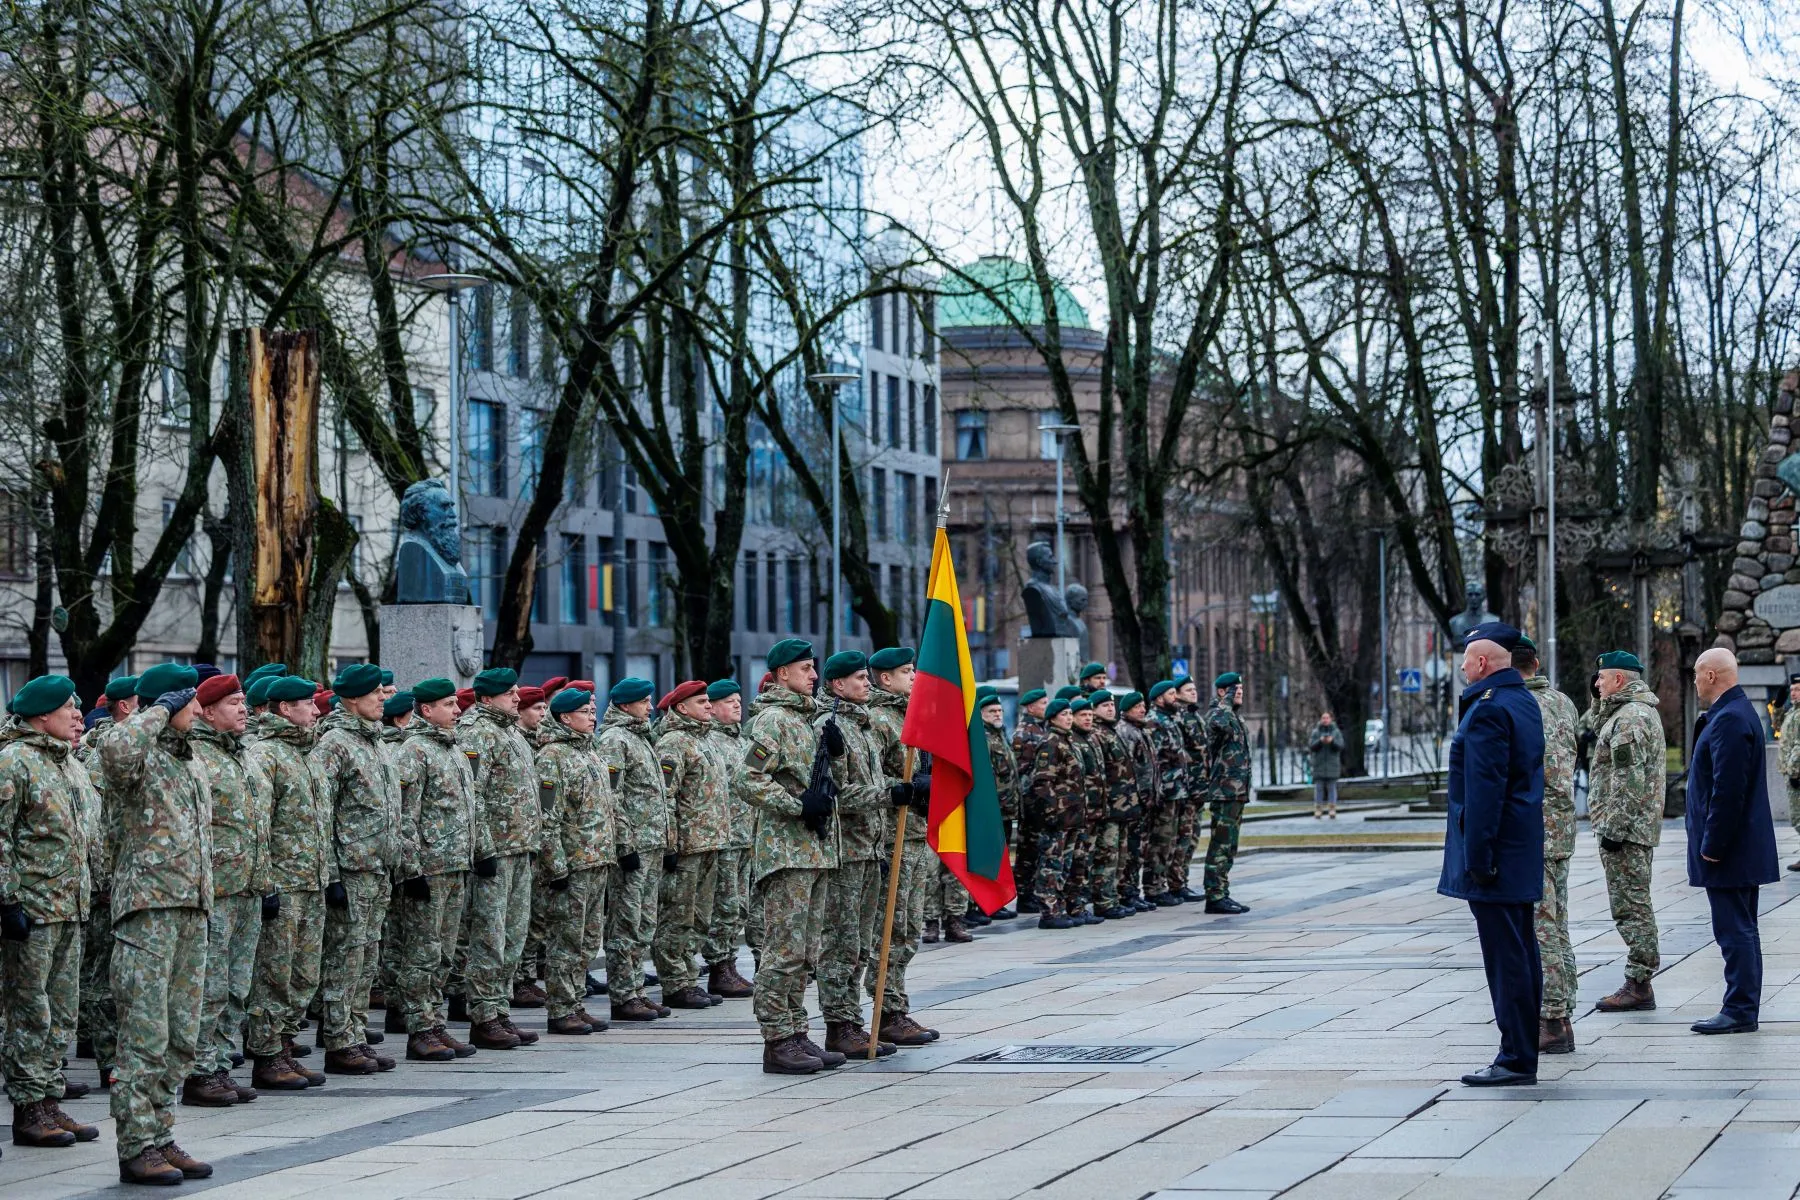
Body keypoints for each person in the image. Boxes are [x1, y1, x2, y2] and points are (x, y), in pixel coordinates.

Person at [101, 663, 215, 1183]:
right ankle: (135, 1144)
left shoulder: (189, 761)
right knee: (144, 1035)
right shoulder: (136, 755)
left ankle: (161, 1134)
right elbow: (116, 750)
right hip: (147, 910)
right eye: (188, 701)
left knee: (180, 1037)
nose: (196, 709)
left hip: (191, 908)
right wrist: (158, 709)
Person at [734, 638, 847, 1073]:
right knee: (783, 951)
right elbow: (747, 780)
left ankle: (798, 1032)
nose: (814, 676)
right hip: (786, 853)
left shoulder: (811, 720)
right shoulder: (774, 721)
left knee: (807, 951)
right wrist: (797, 805)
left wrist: (836, 751)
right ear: (782, 673)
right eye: (805, 669)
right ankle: (777, 1038)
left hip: (816, 850)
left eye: (814, 668)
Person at [1439, 623, 1545, 1087]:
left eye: (1466, 659)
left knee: (1507, 959)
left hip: (1496, 857)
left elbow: (1484, 794)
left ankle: (1516, 1057)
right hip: (1519, 850)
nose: (1462, 666)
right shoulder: (1522, 701)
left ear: (1482, 663)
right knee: (1522, 952)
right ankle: (1522, 1049)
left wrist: (1478, 859)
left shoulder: (1487, 710)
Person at [1, 675, 102, 1149]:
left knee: (60, 1011)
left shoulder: (70, 764)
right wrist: (7, 900)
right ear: (42, 715)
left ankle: (48, 1096)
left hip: (71, 906)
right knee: (29, 1011)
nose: (79, 716)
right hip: (33, 909)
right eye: (69, 708)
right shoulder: (14, 762)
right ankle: (27, 1108)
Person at [310, 664, 400, 1075]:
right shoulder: (336, 744)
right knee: (345, 958)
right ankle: (339, 1039)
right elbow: (321, 814)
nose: (383, 698)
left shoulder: (375, 741)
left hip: (377, 866)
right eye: (375, 693)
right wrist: (330, 874)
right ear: (351, 699)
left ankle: (357, 1034)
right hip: (350, 867)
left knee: (367, 957)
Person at [184, 674, 270, 1106]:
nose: (242, 708)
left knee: (237, 985)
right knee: (210, 986)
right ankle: (199, 1070)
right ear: (208, 710)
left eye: (243, 701)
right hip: (215, 890)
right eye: (233, 702)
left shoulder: (243, 756)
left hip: (248, 887)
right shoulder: (196, 755)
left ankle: (219, 1062)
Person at [1686, 648, 1779, 1035]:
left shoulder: (1729, 719)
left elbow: (1728, 790)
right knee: (1741, 926)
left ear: (1710, 676)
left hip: (1729, 851)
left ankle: (1740, 1008)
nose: (1693, 681)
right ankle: (1741, 1004)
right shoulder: (1734, 714)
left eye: (1695, 674)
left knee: (1734, 928)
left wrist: (1712, 845)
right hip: (1734, 849)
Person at [244, 676, 330, 1091]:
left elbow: (319, 825)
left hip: (311, 880)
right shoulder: (266, 756)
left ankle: (286, 1044)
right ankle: (267, 1053)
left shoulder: (306, 753)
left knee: (303, 974)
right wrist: (265, 884)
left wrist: (326, 874)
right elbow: (258, 827)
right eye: (307, 704)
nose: (315, 711)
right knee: (274, 973)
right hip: (284, 880)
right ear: (283, 709)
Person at [391, 678, 484, 1061]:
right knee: (422, 953)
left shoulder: (453, 749)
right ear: (426, 710)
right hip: (428, 870)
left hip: (455, 866)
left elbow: (468, 810)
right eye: (448, 704)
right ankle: (418, 1027)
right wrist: (412, 870)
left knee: (444, 953)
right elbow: (404, 814)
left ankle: (435, 1022)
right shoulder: (414, 751)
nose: (457, 710)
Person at [815, 651, 901, 1058]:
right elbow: (836, 793)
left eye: (868, 677)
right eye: (859, 678)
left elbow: (870, 779)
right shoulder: (830, 727)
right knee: (841, 943)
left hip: (868, 848)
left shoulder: (861, 727)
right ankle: (839, 1024)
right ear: (837, 685)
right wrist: (890, 793)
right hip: (845, 851)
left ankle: (853, 1019)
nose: (867, 683)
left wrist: (903, 785)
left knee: (862, 944)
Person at [458, 667, 543, 1050]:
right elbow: (472, 794)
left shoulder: (512, 733)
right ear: (487, 698)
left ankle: (500, 1008)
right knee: (489, 937)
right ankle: (483, 1014)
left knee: (513, 935)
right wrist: (485, 847)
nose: (516, 698)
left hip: (520, 848)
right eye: (508, 693)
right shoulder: (478, 733)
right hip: (497, 851)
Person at [1587, 650, 1667, 1018]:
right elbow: (1590, 725)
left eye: (1601, 678)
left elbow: (1628, 779)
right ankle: (1639, 980)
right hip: (1631, 828)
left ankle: (1639, 982)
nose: (1597, 683)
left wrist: (1614, 829)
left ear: (1619, 680)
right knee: (1631, 904)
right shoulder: (1626, 712)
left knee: (1631, 907)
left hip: (1627, 831)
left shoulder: (1631, 718)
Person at [864, 646, 937, 1046]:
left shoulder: (913, 715)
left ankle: (896, 1004)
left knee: (908, 927)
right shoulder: (878, 720)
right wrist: (903, 789)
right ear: (884, 678)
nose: (913, 677)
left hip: (914, 832)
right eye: (906, 671)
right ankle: (885, 1010)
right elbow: (874, 778)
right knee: (888, 928)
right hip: (891, 833)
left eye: (913, 670)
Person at [534, 687, 617, 1036]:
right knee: (565, 940)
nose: (592, 716)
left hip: (597, 859)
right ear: (566, 717)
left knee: (586, 940)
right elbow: (547, 816)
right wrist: (556, 866)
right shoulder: (552, 756)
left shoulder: (590, 752)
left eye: (592, 711)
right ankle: (561, 1008)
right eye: (584, 712)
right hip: (572, 864)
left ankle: (575, 1003)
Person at [73, 673, 139, 1082]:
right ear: (126, 707)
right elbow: (97, 823)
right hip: (103, 883)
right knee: (102, 975)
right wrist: (103, 880)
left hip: (123, 878)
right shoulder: (102, 757)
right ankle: (109, 1057)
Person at [1514, 640, 1577, 1056]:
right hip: (1562, 827)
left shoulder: (1519, 705)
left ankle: (1552, 1020)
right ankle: (1564, 1009)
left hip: (1536, 828)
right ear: (1536, 664)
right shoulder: (1563, 702)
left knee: (1541, 926)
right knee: (1557, 921)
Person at [651, 680, 730, 1011]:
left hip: (709, 842)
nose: (709, 706)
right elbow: (665, 798)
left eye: (709, 701)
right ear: (682, 708)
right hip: (685, 846)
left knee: (699, 916)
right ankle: (674, 982)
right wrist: (670, 845)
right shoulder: (674, 744)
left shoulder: (705, 740)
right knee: (677, 915)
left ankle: (688, 976)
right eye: (702, 702)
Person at [700, 680, 755, 999]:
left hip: (744, 834)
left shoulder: (741, 741)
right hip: (722, 836)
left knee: (740, 906)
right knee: (724, 905)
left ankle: (729, 963)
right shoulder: (710, 741)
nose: (736, 705)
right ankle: (719, 966)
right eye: (728, 702)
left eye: (738, 700)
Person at [1027, 699, 1084, 927]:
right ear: (1052, 718)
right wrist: (1053, 812)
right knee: (1051, 864)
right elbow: (1042, 783)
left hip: (1071, 817)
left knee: (1065, 864)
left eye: (1071, 714)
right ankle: (1049, 912)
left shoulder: (1068, 741)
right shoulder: (1051, 743)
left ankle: (1060, 908)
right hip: (1057, 817)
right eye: (1064, 714)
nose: (1069, 718)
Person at [1088, 690, 1141, 920]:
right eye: (1104, 706)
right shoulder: (1098, 735)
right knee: (1107, 856)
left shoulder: (1112, 731)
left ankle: (1114, 898)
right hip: (1109, 806)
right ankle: (1104, 901)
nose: (1110, 708)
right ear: (1095, 710)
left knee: (1119, 855)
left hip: (1122, 805)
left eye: (1111, 705)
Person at [1202, 673, 1251, 914]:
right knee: (1220, 844)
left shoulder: (1234, 716)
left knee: (1229, 846)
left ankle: (1222, 892)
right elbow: (1217, 724)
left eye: (1241, 689)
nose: (1239, 693)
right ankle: (1214, 895)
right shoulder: (1216, 713)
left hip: (1236, 792)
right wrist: (1226, 701)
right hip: (1224, 791)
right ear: (1221, 692)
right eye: (1234, 690)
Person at [1144, 681, 1191, 906]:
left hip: (1177, 790)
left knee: (1171, 841)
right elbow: (1154, 761)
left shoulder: (1171, 719)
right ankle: (1154, 887)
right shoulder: (1154, 721)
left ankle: (1166, 884)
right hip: (1165, 791)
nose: (1175, 697)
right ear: (1159, 698)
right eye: (1171, 694)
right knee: (1160, 841)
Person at [1116, 691, 1161, 913]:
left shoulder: (1139, 730)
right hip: (1132, 800)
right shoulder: (1125, 732)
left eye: (1143, 706)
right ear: (1127, 710)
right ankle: (1126, 892)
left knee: (1138, 848)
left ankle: (1132, 891)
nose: (1143, 709)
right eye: (1138, 707)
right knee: (1131, 848)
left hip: (1143, 800)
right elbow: (1129, 769)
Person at [1010, 688, 1049, 910]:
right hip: (1030, 798)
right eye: (1043, 703)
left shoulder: (1042, 728)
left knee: (1037, 848)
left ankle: (1031, 891)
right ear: (1031, 707)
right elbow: (1021, 769)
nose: (1045, 706)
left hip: (1040, 798)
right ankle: (1024, 895)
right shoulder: (1024, 732)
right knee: (1027, 849)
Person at [1778, 672, 1800, 872]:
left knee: (1798, 817)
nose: (1794, 693)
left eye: (1798, 690)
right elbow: (1778, 728)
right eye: (1792, 690)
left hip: (1797, 774)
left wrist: (1794, 771)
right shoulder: (1792, 712)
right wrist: (1777, 704)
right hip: (1792, 772)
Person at [1307, 713, 1342, 819]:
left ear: (1330, 719)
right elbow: (1312, 746)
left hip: (1332, 765)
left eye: (1327, 718)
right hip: (1319, 765)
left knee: (1332, 788)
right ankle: (1318, 809)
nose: (1325, 720)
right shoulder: (1316, 732)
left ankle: (1332, 809)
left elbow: (1340, 746)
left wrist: (1332, 742)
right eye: (1323, 718)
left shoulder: (1336, 732)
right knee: (1319, 788)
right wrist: (1320, 741)